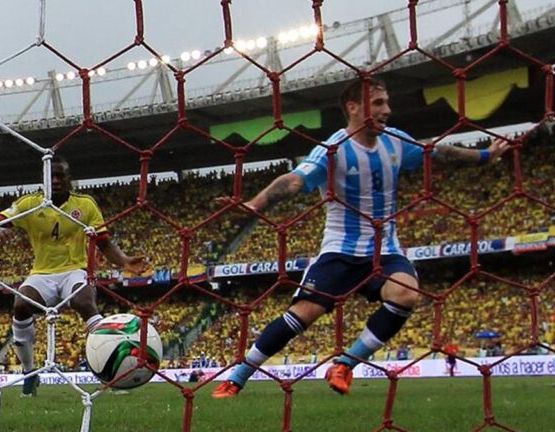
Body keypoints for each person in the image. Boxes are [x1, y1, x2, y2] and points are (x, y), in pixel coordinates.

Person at [212, 78, 509, 398]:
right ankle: (237, 377)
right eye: (378, 103)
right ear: (353, 108)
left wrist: (484, 156)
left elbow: (439, 152)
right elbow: (295, 181)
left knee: (407, 294)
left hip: (385, 251)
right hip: (340, 251)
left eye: (387, 102)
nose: (387, 110)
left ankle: (345, 364)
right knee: (304, 315)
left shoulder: (395, 141)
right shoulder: (334, 149)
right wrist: (255, 204)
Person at [0, 156, 150, 397]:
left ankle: (110, 376)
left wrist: (125, 261)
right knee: (21, 304)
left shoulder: (86, 205)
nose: (55, 181)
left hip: (75, 271)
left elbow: (104, 243)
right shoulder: (29, 204)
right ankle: (29, 373)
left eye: (61, 176)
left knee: (84, 303)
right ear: (42, 180)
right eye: (51, 176)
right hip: (42, 274)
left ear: (70, 180)